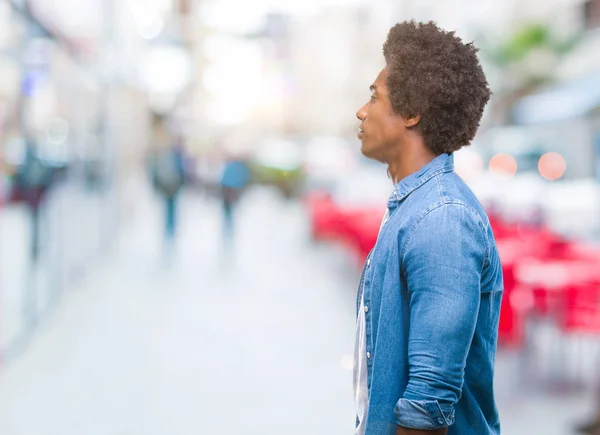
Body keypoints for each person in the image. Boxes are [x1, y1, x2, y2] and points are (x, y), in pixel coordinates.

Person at [353, 21, 501, 435]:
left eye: (374, 97)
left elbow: (428, 404)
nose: (362, 111)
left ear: (412, 113)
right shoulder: (413, 206)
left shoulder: (442, 218)